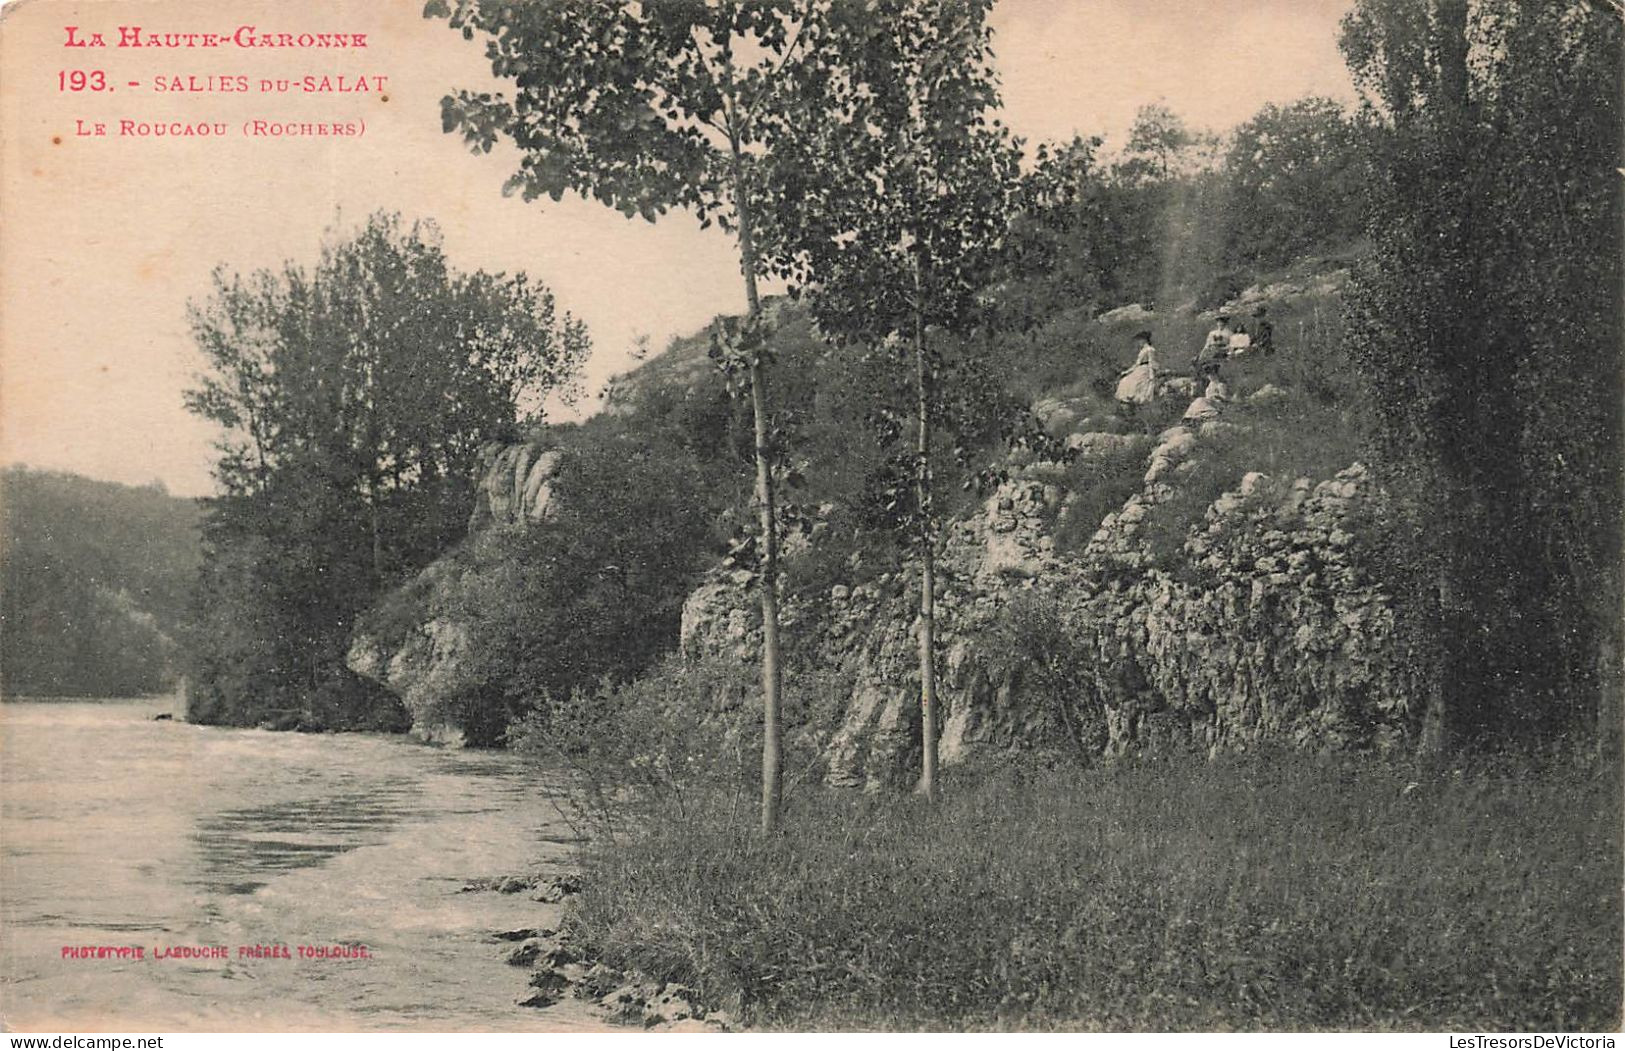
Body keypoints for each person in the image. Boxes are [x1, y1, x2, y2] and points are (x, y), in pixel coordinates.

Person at [1115, 330, 1159, 409]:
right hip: (1139, 368)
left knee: (1134, 383)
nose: (1139, 342)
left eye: (1140, 340)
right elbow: (1137, 364)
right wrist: (1127, 371)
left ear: (1144, 340)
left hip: (1145, 369)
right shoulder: (1143, 350)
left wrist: (1151, 375)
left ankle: (1134, 400)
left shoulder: (1150, 349)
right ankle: (1128, 400)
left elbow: (1151, 362)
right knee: (1124, 380)